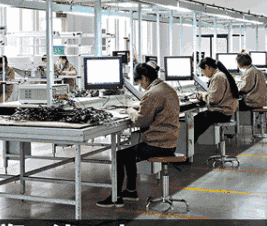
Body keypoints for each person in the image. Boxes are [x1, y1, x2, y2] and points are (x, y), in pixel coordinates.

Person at [97, 63, 179, 208]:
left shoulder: (151, 93)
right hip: (170, 142)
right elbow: (154, 108)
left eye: (140, 82)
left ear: (145, 78)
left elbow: (141, 121)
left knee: (119, 156)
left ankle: (116, 198)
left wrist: (130, 110)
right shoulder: (167, 88)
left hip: (158, 145)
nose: (141, 85)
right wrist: (139, 107)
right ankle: (130, 191)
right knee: (129, 153)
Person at [193, 57, 239, 141]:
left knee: (194, 122)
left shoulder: (218, 77)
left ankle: (189, 145)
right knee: (197, 119)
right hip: (224, 112)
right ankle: (190, 145)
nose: (204, 74)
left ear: (207, 67)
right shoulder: (220, 74)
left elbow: (213, 100)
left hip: (222, 113)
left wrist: (203, 95)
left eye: (203, 71)